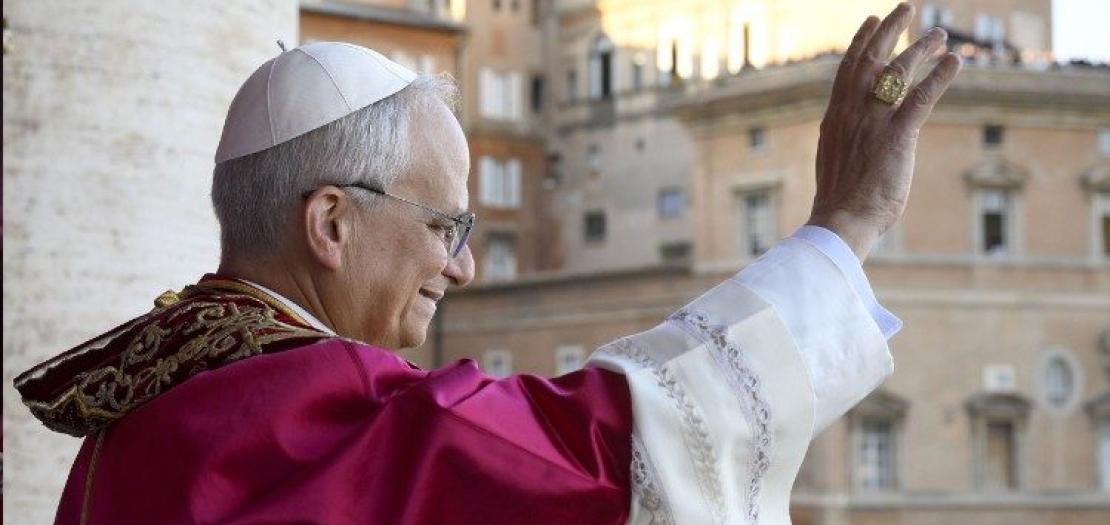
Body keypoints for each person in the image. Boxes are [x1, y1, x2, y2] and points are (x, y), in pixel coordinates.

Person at [14, 3, 960, 524]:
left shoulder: (138, 417)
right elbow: (610, 448)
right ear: (332, 223)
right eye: (444, 226)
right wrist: (844, 224)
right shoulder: (313, 408)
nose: (461, 268)